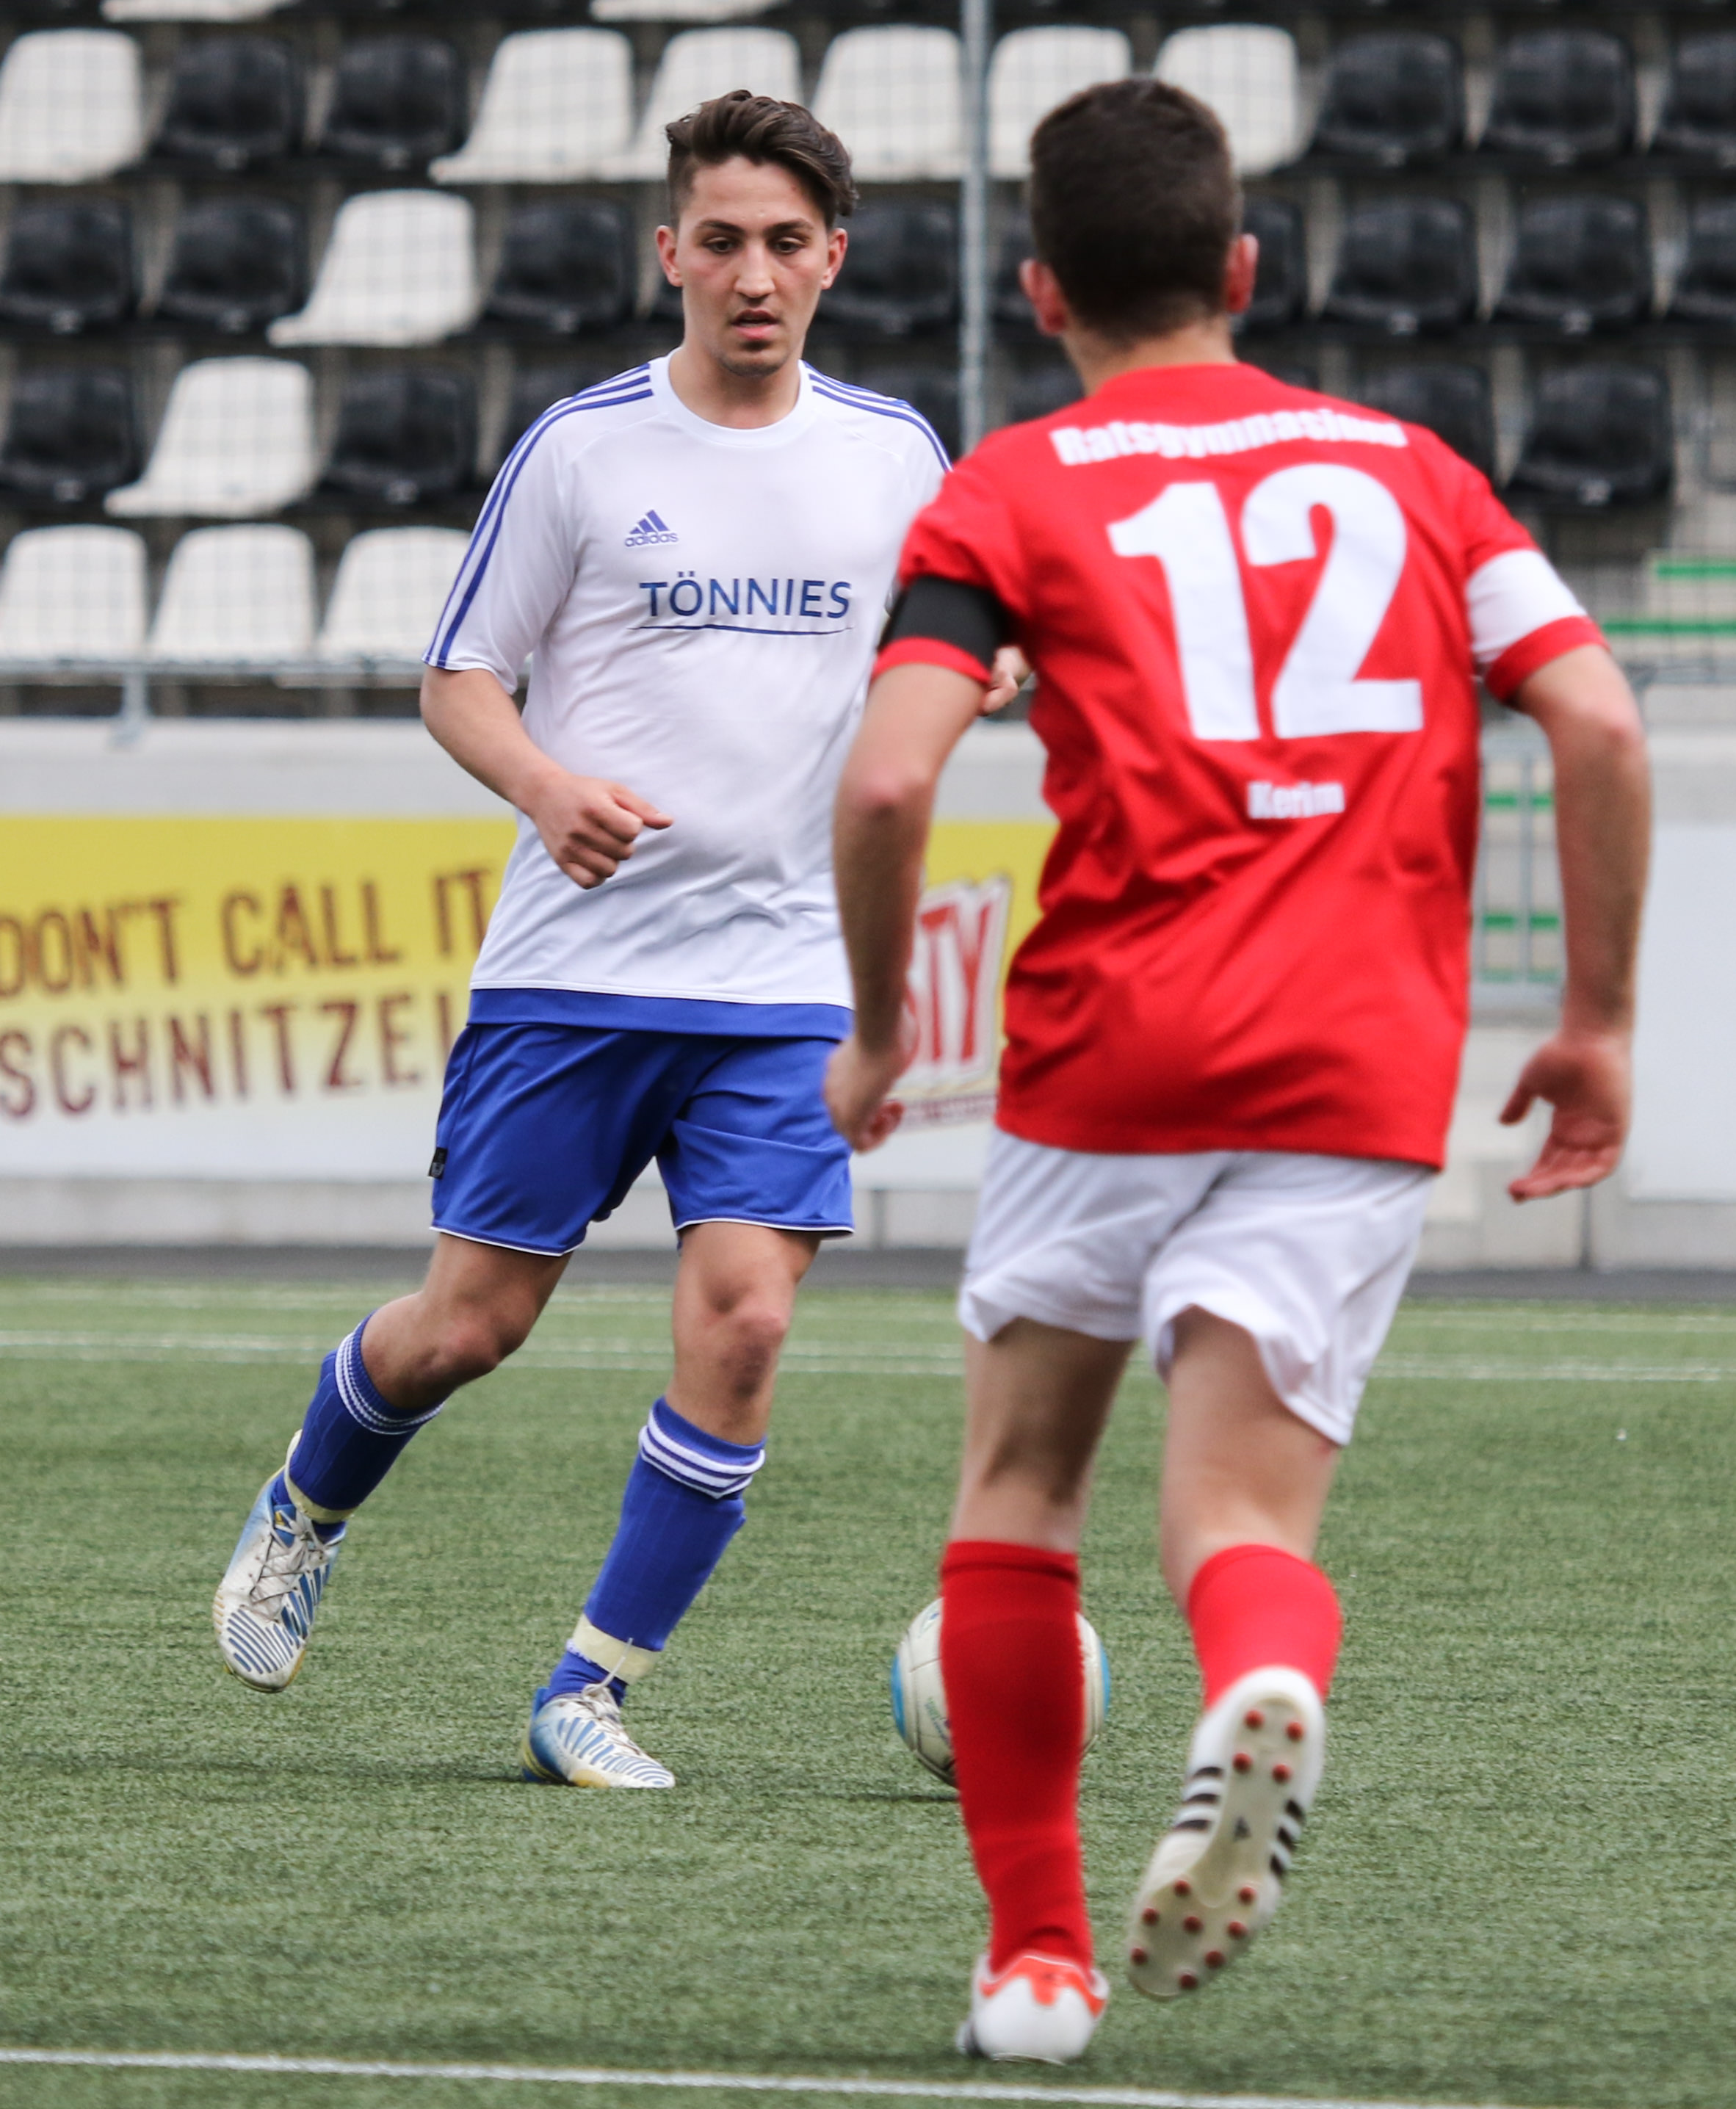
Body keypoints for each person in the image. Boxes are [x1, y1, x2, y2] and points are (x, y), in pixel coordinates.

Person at [825, 77, 1650, 2064]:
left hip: (1110, 1051)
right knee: (1241, 1525)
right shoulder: (1415, 473)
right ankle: (1255, 1680)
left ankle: (1037, 1963)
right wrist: (1596, 1017)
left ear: (1040, 289)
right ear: (1244, 267)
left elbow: (886, 780)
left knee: (1020, 1491)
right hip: (1356, 1063)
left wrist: (876, 1028)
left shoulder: (1010, 488)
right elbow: (1602, 725)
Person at [213, 90, 1012, 1788]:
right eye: (721, 240)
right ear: (670, 253)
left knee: (745, 1321)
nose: (752, 273)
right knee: (469, 1322)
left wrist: (990, 664)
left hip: (787, 978)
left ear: (833, 259)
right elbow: (459, 676)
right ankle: (306, 1502)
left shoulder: (894, 455)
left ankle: (590, 1686)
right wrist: (546, 784)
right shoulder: (584, 448)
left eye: (784, 243)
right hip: (574, 971)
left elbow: (960, 638)